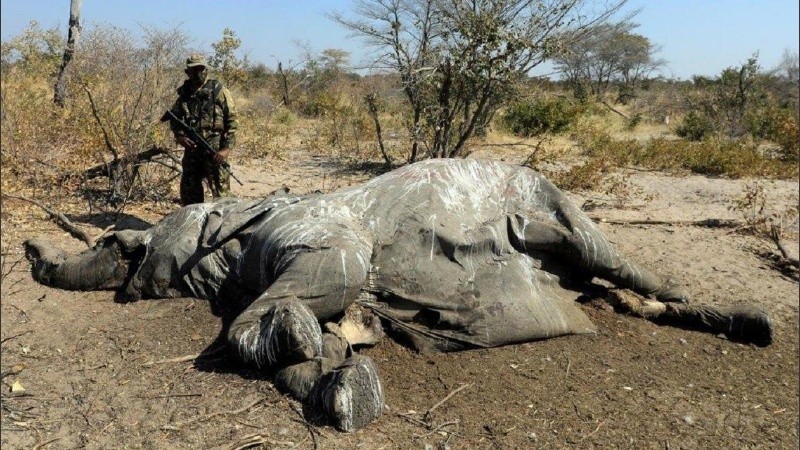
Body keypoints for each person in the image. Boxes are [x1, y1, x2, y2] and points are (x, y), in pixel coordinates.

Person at [167, 54, 239, 206]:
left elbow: (232, 121)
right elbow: (174, 119)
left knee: (222, 197)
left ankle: (225, 227)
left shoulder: (219, 91)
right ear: (187, 72)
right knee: (189, 195)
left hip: (215, 150)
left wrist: (225, 149)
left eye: (201, 68)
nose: (198, 72)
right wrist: (180, 136)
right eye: (194, 69)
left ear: (206, 69)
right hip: (192, 151)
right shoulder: (184, 94)